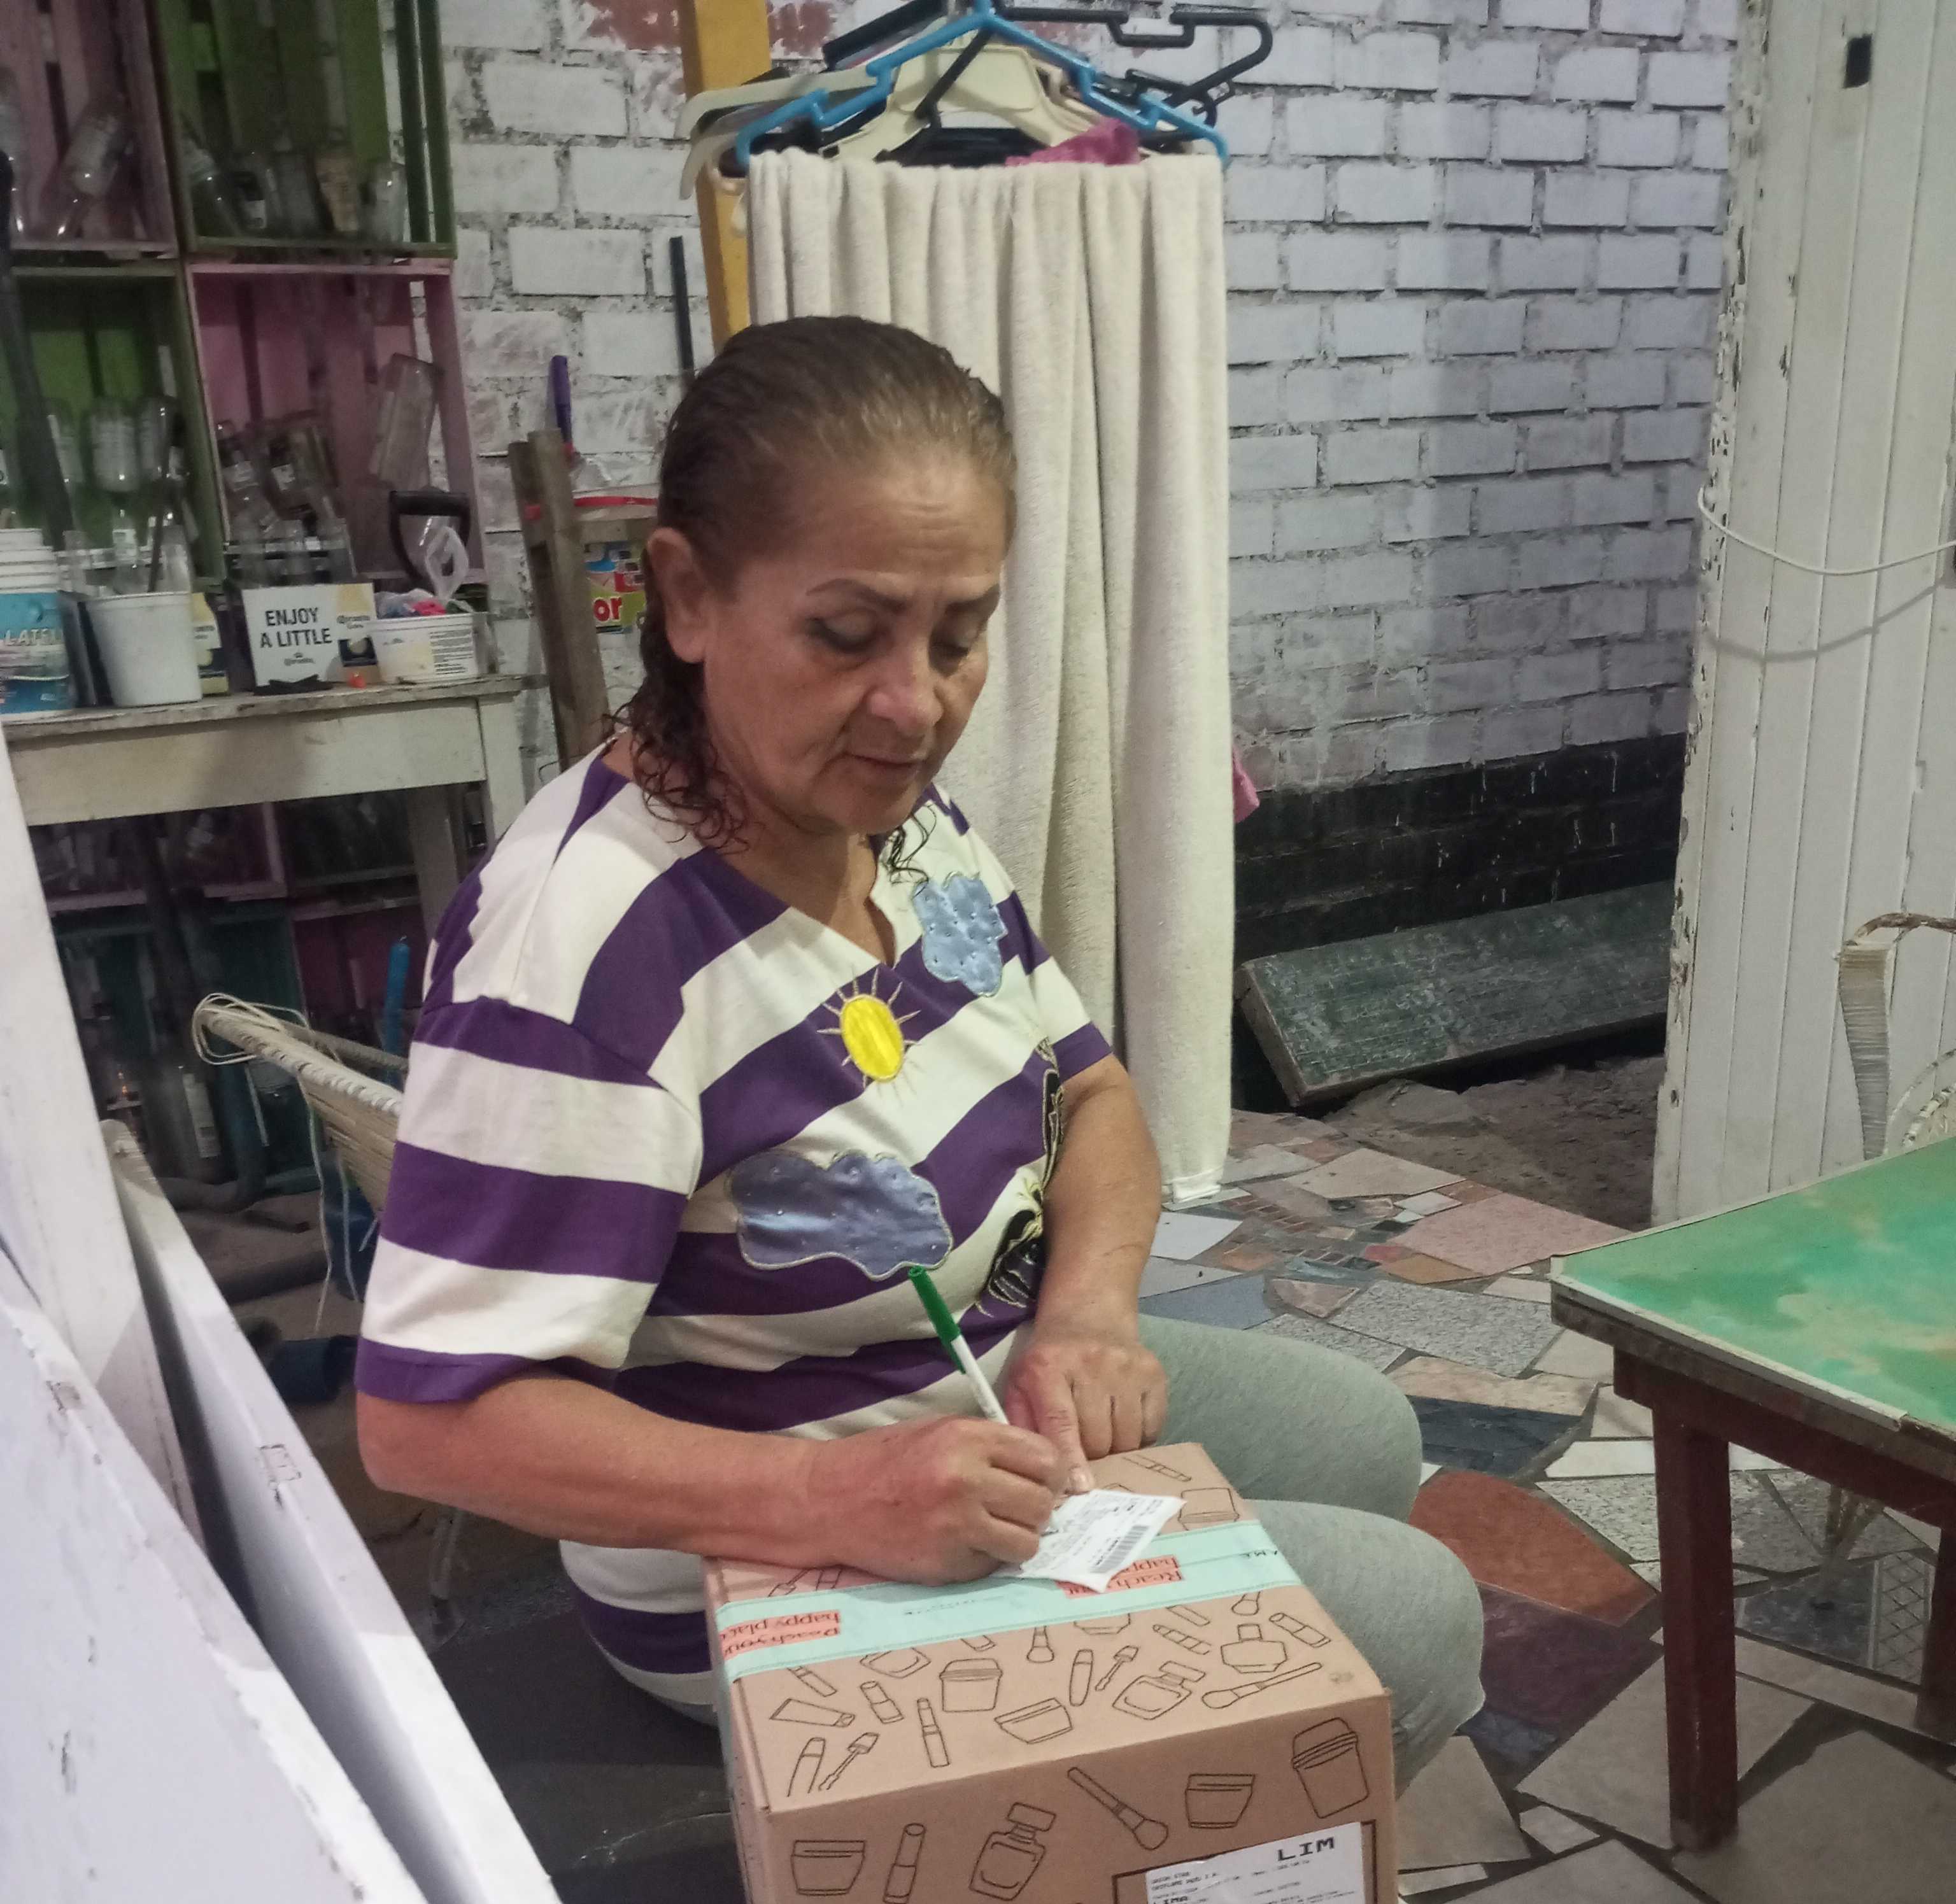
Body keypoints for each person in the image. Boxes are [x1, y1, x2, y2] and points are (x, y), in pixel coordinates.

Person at [355, 317, 1482, 1786]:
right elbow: (427, 1424)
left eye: (959, 638)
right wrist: (834, 1497)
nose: (918, 704)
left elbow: (1094, 1093)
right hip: (758, 1565)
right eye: (847, 634)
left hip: (979, 1403)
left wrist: (1086, 1316)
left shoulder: (894, 822)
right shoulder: (586, 957)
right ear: (686, 596)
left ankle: (1206, 1829)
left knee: (1363, 1434)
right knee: (1410, 1620)